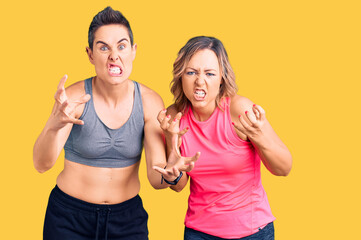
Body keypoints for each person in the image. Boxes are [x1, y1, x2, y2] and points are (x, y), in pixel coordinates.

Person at [33, 7, 198, 240]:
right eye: (103, 47)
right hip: (69, 219)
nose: (114, 55)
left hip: (127, 221)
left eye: (121, 46)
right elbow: (41, 164)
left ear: (133, 51)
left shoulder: (150, 102)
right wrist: (54, 125)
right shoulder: (74, 98)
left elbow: (155, 176)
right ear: (90, 55)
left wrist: (171, 173)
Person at [155, 36, 293, 240]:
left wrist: (259, 138)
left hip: (251, 233)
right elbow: (178, 185)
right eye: (191, 72)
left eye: (209, 73)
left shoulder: (239, 110)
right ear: (180, 76)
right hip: (198, 233)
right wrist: (172, 155)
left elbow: (284, 168)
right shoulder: (174, 116)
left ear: (221, 78)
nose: (199, 81)